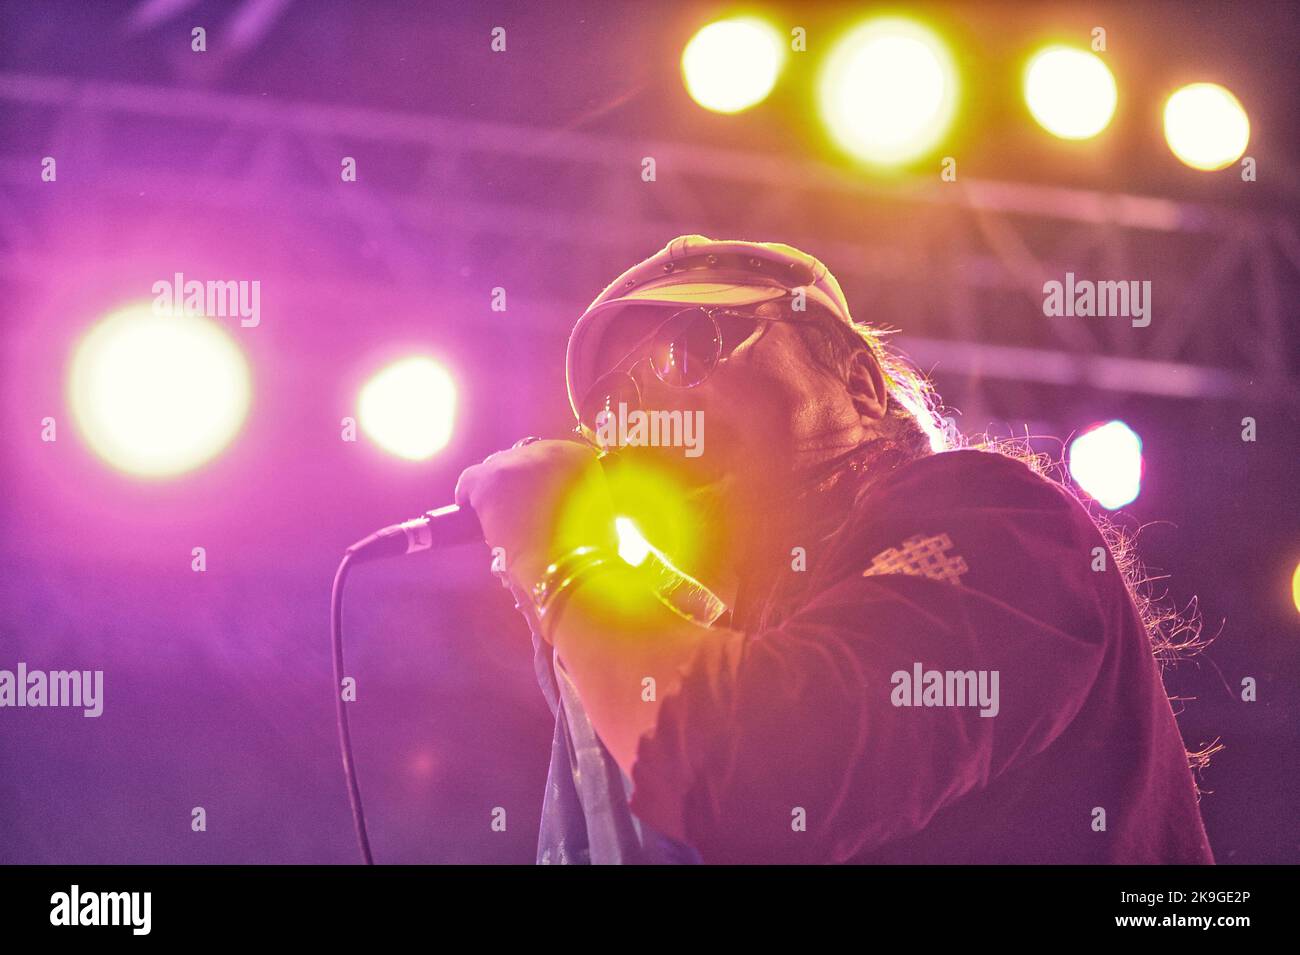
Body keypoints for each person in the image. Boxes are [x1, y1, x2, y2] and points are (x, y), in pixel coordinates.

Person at [456, 235, 1215, 864]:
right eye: (618, 414)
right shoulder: (748, 636)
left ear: (858, 383)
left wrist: (564, 563)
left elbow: (759, 771)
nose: (649, 426)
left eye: (690, 351)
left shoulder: (1001, 521)